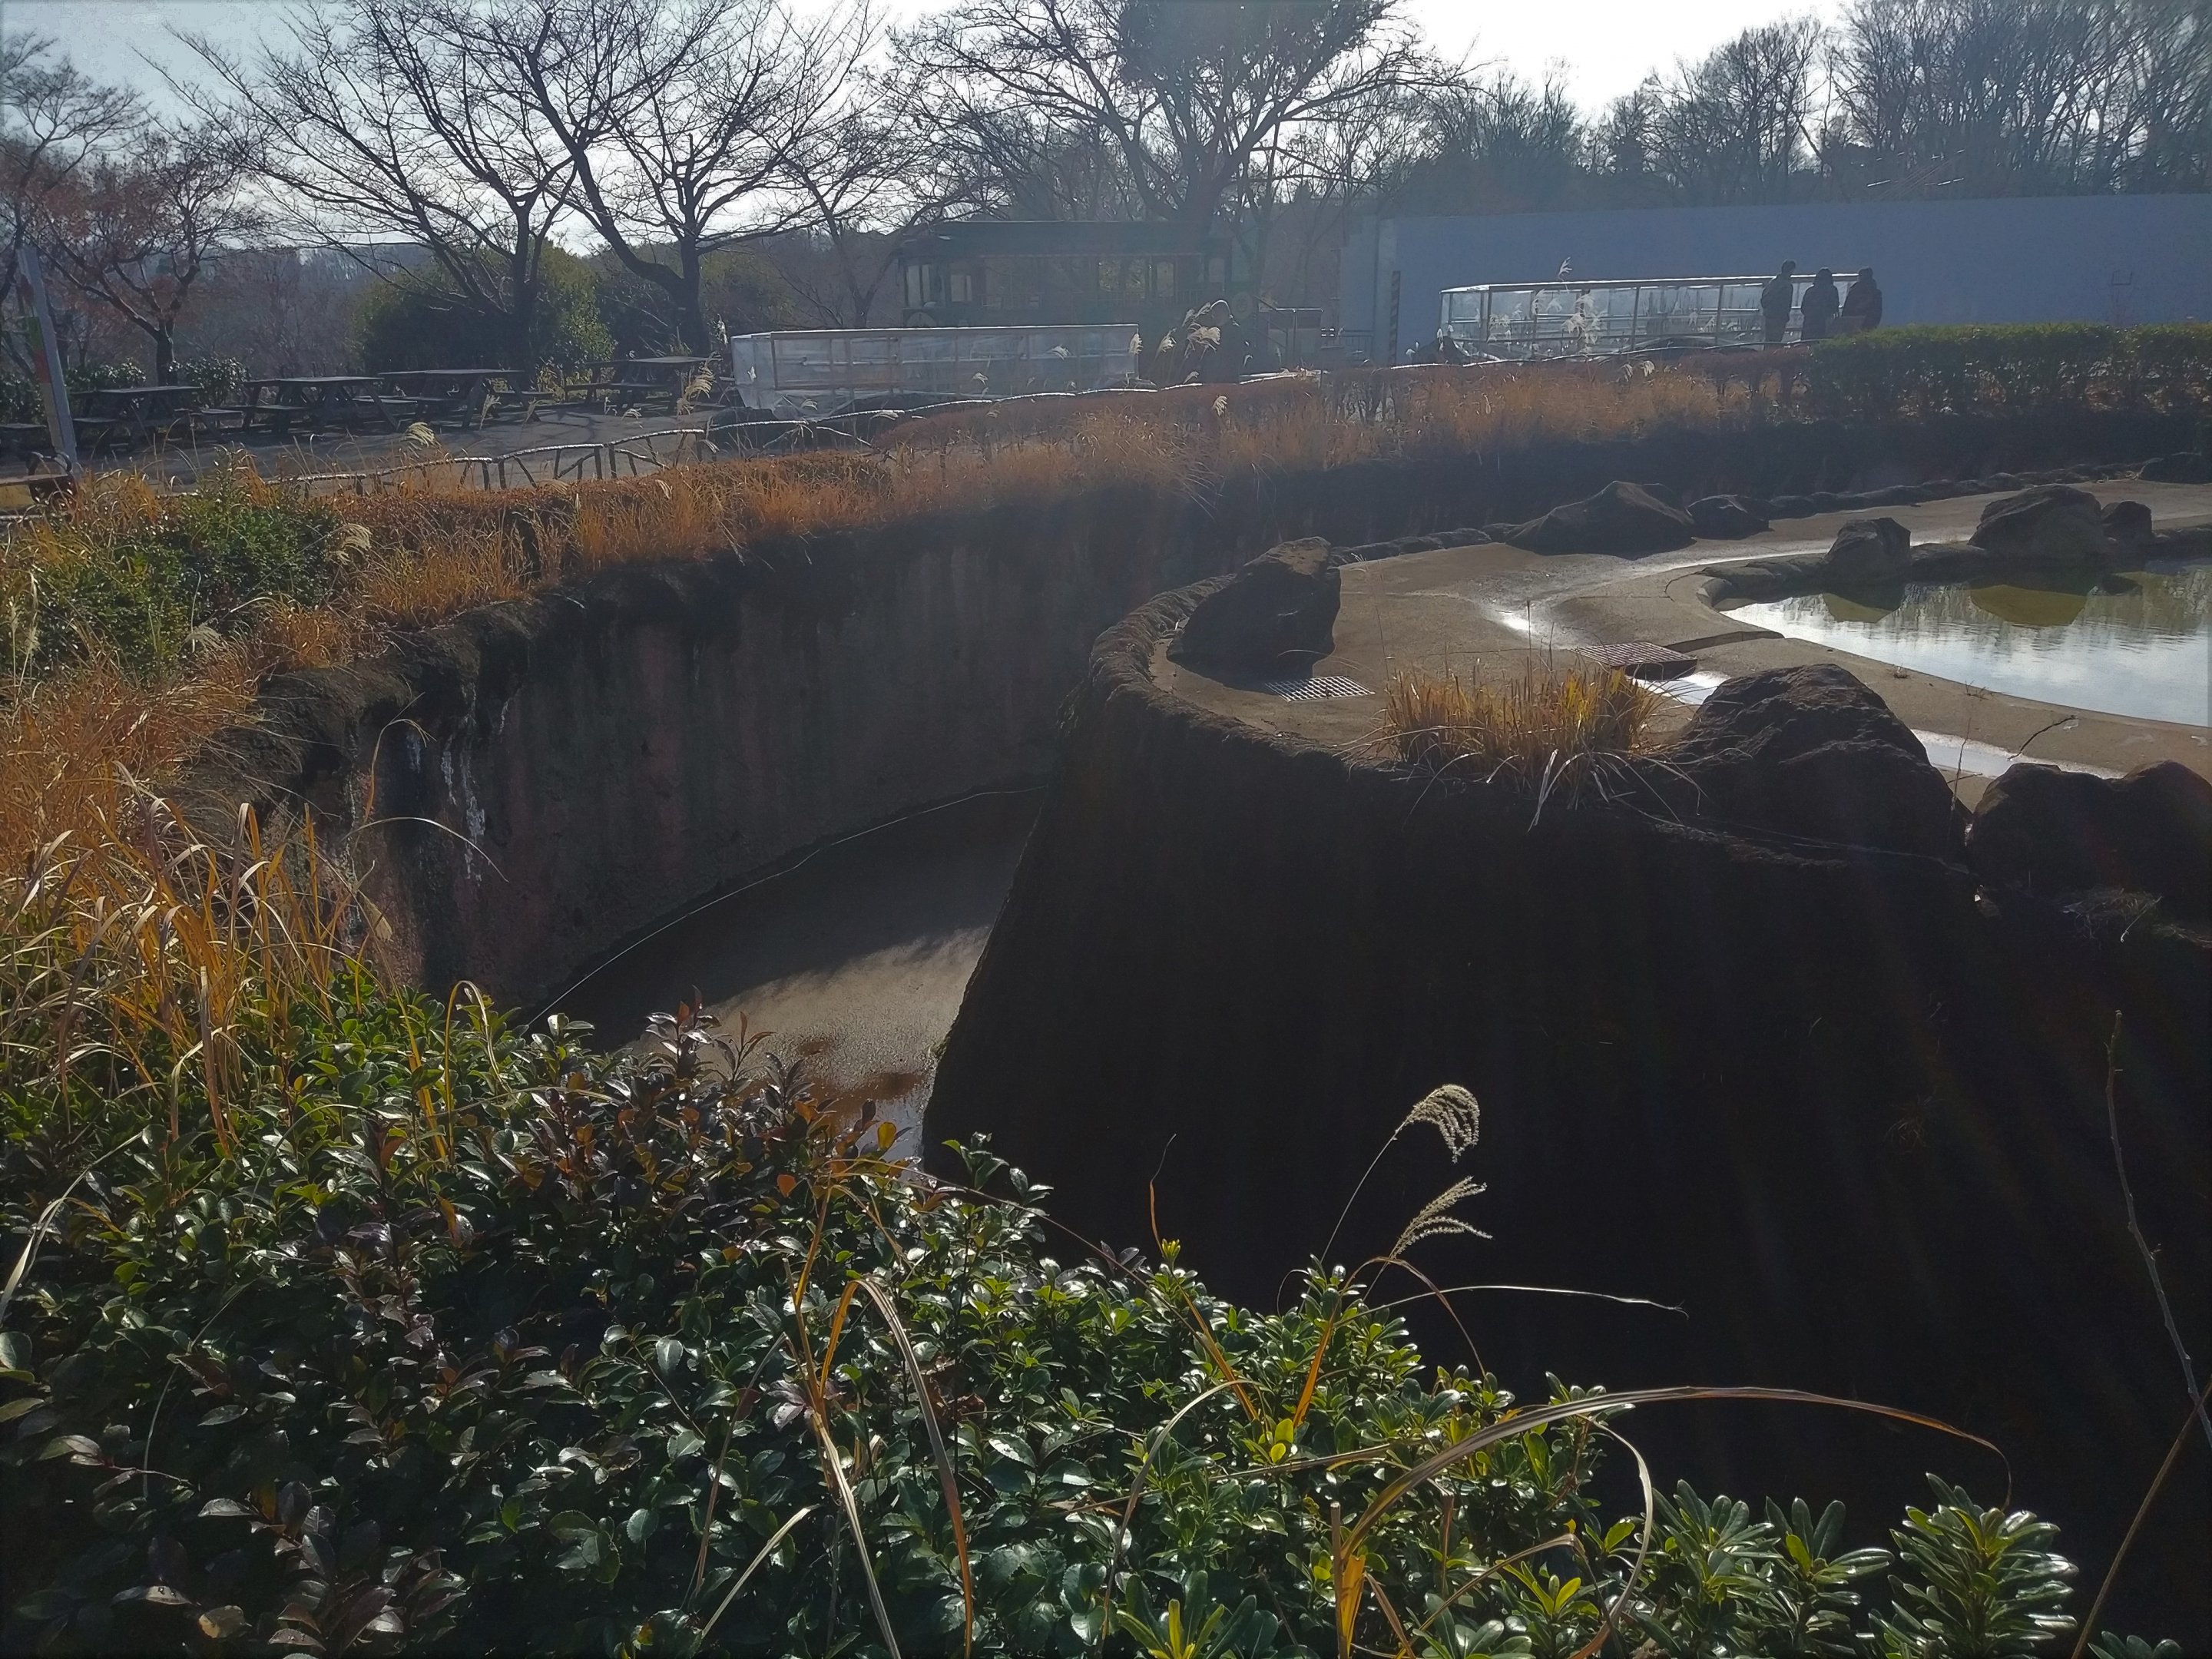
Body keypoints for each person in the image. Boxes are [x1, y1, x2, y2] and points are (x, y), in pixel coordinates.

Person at [1760, 261, 1797, 347]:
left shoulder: (1773, 282)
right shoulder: (1787, 285)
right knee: (1776, 341)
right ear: (1791, 271)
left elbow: (1765, 298)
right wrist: (1786, 316)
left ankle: (1766, 354)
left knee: (1768, 340)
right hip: (1779, 317)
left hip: (1769, 315)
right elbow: (1786, 303)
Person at [1839, 267, 1883, 334]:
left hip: (1853, 323)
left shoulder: (1854, 291)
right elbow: (1878, 311)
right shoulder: (1875, 293)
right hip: (1869, 323)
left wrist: (1844, 320)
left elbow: (1847, 308)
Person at [1800, 267, 1840, 340]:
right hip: (1825, 322)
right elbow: (1835, 306)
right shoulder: (1832, 290)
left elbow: (1803, 308)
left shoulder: (1810, 291)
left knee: (1807, 342)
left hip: (1809, 322)